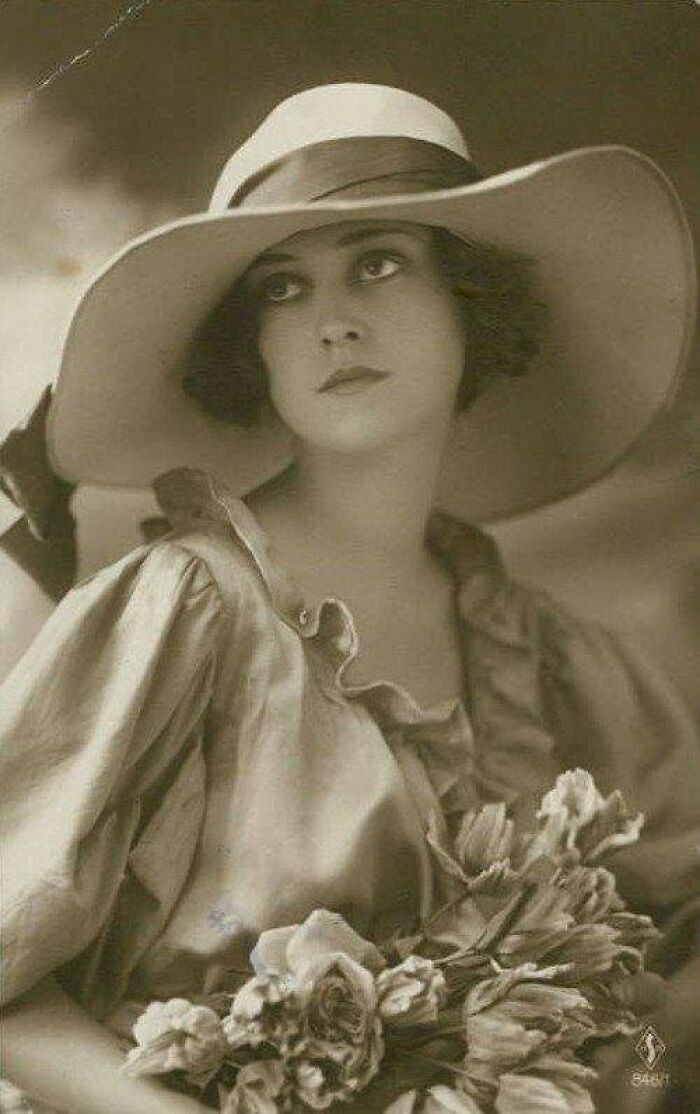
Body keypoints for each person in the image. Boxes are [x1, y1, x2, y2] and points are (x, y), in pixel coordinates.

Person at [1, 83, 699, 1113]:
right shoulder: (181, 611)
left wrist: (632, 1083)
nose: (330, 321)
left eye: (378, 262)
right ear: (257, 353)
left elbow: (674, 962)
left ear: (468, 306)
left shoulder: (554, 660)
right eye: (281, 290)